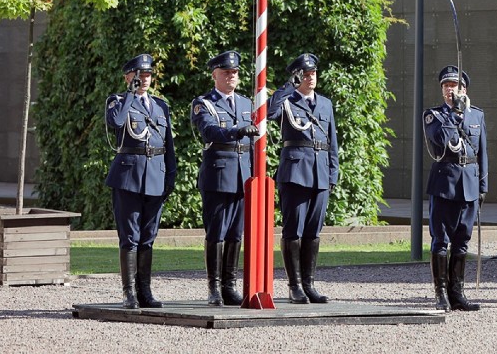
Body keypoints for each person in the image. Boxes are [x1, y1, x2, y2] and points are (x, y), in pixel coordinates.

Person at [105, 53, 177, 309]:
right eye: (138, 75)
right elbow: (116, 122)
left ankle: (145, 291)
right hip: (128, 177)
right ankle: (129, 293)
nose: (144, 79)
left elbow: (168, 145)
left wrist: (171, 174)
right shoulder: (117, 102)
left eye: (147, 75)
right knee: (130, 236)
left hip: (155, 176)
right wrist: (129, 95)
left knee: (148, 236)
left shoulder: (160, 106)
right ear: (128, 77)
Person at [268, 53, 339, 304]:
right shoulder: (287, 101)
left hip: (320, 173)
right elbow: (269, 113)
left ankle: (309, 284)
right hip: (296, 173)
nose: (311, 78)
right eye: (305, 75)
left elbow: (332, 141)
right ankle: (294, 285)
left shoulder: (325, 104)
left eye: (313, 74)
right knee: (293, 231)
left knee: (313, 231)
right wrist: (288, 86)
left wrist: (333, 172)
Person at [191, 50, 259, 306]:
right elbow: (209, 131)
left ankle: (229, 285)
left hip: (242, 175)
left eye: (235, 72)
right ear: (215, 75)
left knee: (235, 234)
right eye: (226, 72)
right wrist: (236, 131)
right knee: (216, 233)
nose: (231, 76)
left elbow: (254, 145)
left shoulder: (246, 104)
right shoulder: (204, 103)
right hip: (218, 175)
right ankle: (214, 288)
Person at [423, 65, 488, 312]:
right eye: (447, 86)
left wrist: (483, 186)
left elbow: (482, 153)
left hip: (469, 184)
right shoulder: (434, 115)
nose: (451, 90)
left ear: (464, 89)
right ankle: (441, 294)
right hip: (444, 183)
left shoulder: (478, 116)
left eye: (455, 86)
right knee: (441, 240)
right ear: (442, 90)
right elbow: (439, 139)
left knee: (462, 241)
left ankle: (457, 292)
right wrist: (455, 114)